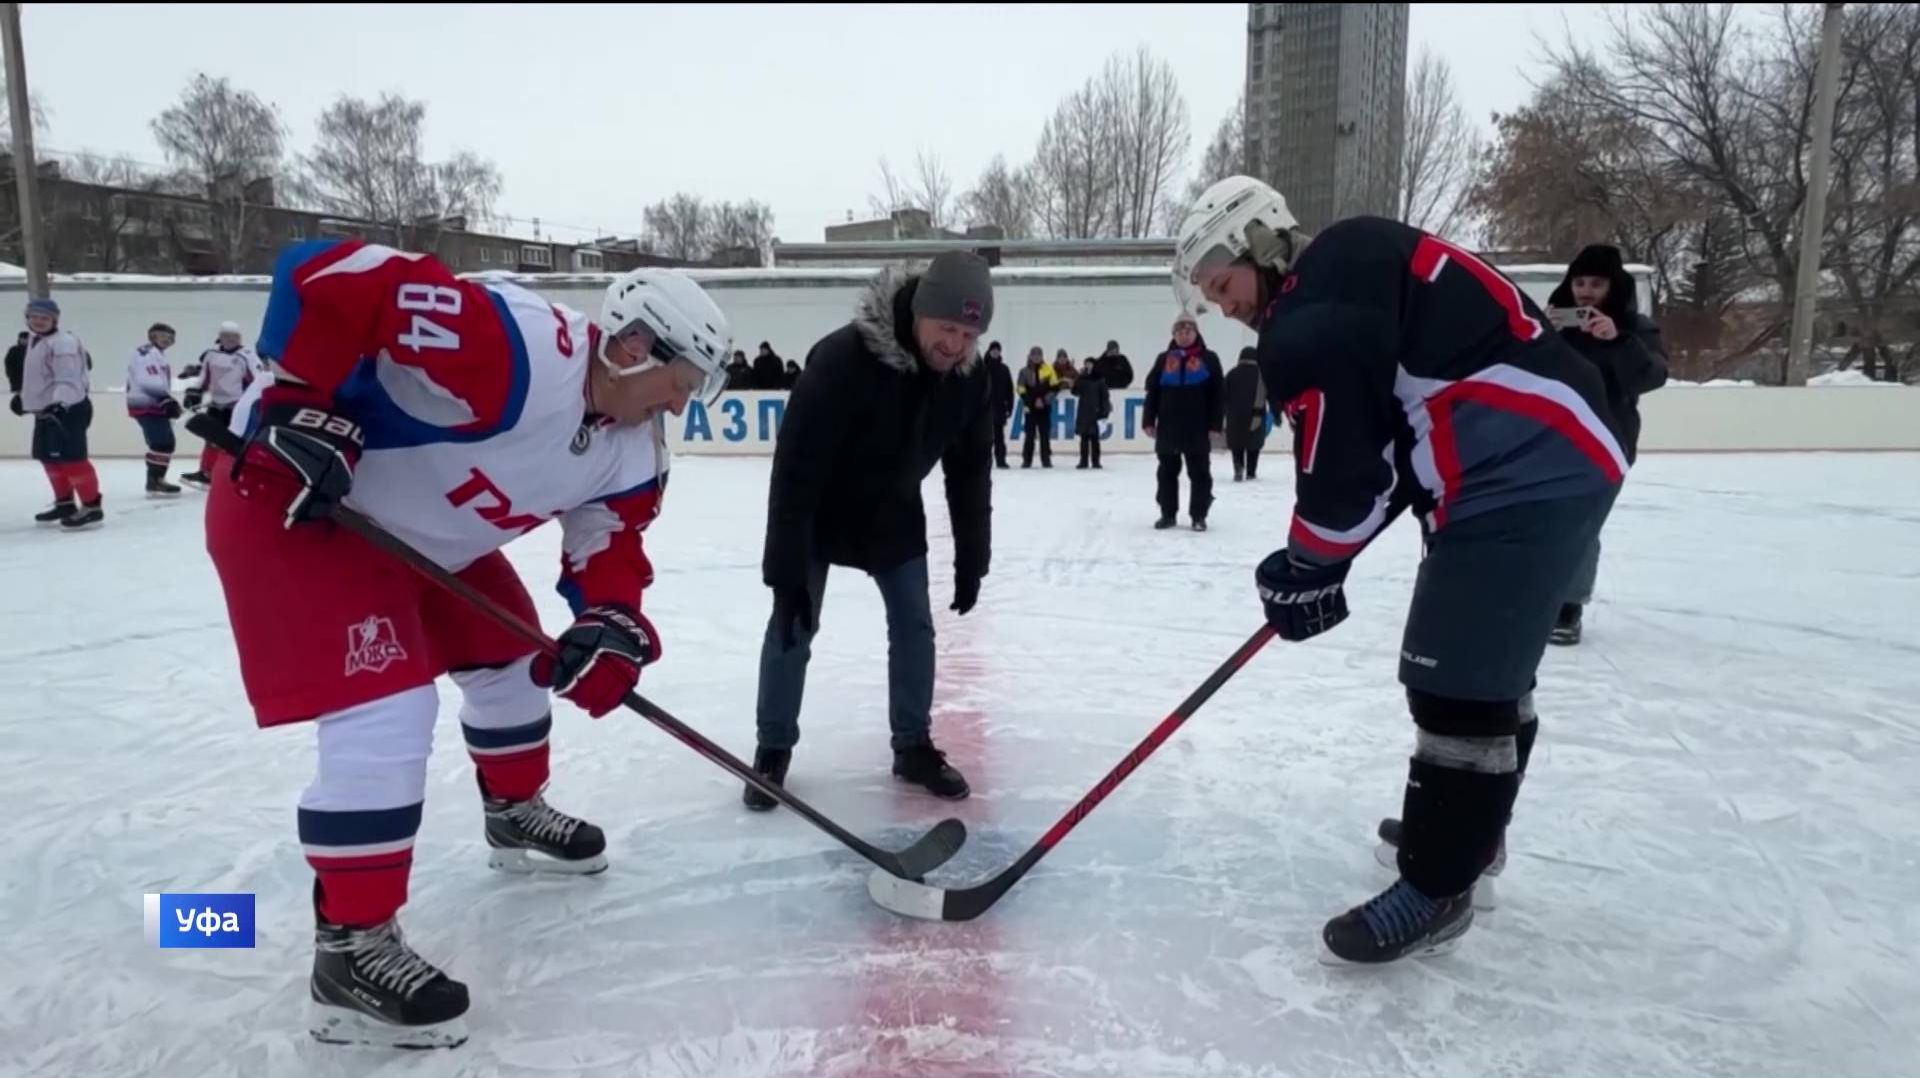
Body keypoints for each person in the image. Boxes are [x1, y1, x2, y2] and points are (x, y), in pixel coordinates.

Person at [205, 238, 732, 1047]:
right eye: (677, 385)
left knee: (517, 663)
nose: (676, 407)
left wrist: (610, 623)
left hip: (427, 539)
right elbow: (323, 273)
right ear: (633, 348)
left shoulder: (632, 451)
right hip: (299, 509)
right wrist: (295, 402)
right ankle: (350, 947)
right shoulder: (517, 346)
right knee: (387, 713)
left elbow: (611, 546)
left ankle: (513, 811)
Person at [1174, 176, 1625, 964]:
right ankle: (1467, 838)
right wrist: (1320, 562)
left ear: (1257, 245)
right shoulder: (1346, 267)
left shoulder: (1308, 318)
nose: (1223, 307)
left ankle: (1439, 882)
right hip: (1545, 447)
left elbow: (1345, 478)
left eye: (1222, 285)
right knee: (1487, 669)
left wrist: (1306, 564)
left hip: (1523, 462)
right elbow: (1386, 463)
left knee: (1454, 677)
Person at [746, 252, 994, 809]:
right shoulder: (842, 359)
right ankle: (772, 750)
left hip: (893, 516)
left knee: (915, 629)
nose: (955, 344)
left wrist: (972, 558)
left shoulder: (968, 381)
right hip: (818, 512)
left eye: (968, 332)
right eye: (947, 328)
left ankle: (912, 746)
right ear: (920, 312)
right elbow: (795, 469)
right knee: (792, 625)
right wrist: (784, 572)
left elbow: (970, 471)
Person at [1545, 244, 1669, 645]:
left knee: (1582, 523)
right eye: (1579, 282)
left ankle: (1568, 606)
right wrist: (1538, 338)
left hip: (1605, 442)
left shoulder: (1637, 329)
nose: (1585, 292)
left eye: (1596, 284)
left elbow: (1650, 378)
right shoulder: (1552, 325)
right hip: (1550, 439)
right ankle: (1537, 598)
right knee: (1542, 520)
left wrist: (1617, 341)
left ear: (1613, 286)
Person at [20, 299, 104, 530]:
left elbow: (68, 378)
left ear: (54, 320)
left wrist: (60, 403)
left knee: (72, 459)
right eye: (34, 317)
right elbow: (39, 377)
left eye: (44, 318)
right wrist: (25, 399)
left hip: (68, 409)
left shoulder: (63, 343)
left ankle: (92, 506)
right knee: (49, 458)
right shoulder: (36, 340)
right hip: (47, 411)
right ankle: (65, 503)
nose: (38, 321)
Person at [1143, 312, 1223, 531]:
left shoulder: (1209, 359)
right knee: (1166, 473)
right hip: (1168, 427)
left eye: (1188, 331)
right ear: (1173, 334)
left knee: (1199, 473)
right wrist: (1148, 420)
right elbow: (1153, 392)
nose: (1184, 335)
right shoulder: (1164, 359)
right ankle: (1168, 514)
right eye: (1179, 331)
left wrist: (1216, 425)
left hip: (1198, 428)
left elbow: (1218, 395)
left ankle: (1199, 515)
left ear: (1196, 333)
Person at [178, 322, 260, 489]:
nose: (231, 339)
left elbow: (257, 381)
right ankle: (206, 472)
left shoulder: (247, 356)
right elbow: (204, 377)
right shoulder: (211, 355)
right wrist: (195, 391)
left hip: (237, 407)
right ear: (220, 337)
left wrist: (253, 402)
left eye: (235, 336)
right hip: (216, 404)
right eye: (227, 335)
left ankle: (233, 473)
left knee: (233, 442)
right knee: (211, 439)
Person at [125, 322, 184, 497]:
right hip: (147, 405)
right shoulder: (147, 353)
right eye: (163, 335)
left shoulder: (157, 354)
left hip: (152, 404)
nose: (168, 340)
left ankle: (156, 480)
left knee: (163, 442)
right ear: (152, 336)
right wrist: (165, 399)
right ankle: (155, 481)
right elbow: (147, 380)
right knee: (162, 442)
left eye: (171, 337)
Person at [1223, 345, 1269, 482]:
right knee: (1253, 445)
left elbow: (1222, 395)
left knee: (1237, 445)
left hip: (1234, 417)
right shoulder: (1262, 374)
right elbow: (1270, 394)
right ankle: (1251, 472)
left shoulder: (1231, 373)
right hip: (1256, 415)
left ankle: (1238, 466)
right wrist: (1276, 412)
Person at [1016, 346, 1056, 468]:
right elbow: (1020, 388)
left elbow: (1055, 388)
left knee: (1045, 434)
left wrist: (1044, 400)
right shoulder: (1024, 371)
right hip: (1030, 407)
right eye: (1034, 355)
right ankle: (1027, 460)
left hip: (1045, 407)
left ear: (1042, 356)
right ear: (1030, 356)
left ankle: (1046, 460)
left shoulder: (1049, 370)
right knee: (1029, 434)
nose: (1036, 357)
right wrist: (1031, 401)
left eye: (1039, 355)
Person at [1072, 356, 1110, 469]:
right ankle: (1083, 461)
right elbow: (1074, 391)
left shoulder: (1100, 380)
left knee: (1095, 440)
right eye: (1086, 363)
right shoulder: (1082, 379)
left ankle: (1096, 461)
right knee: (1084, 439)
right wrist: (1079, 377)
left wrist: (1104, 412)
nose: (1088, 366)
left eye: (1090, 363)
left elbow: (1105, 397)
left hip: (1095, 413)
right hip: (1084, 412)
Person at [984, 340, 1014, 469]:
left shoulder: (1004, 369)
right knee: (984, 438)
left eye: (997, 350)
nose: (995, 352)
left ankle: (1001, 460)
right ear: (989, 351)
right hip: (984, 409)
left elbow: (1009, 389)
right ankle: (984, 462)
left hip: (1000, 408)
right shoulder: (982, 367)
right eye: (993, 350)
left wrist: (1010, 407)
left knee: (999, 437)